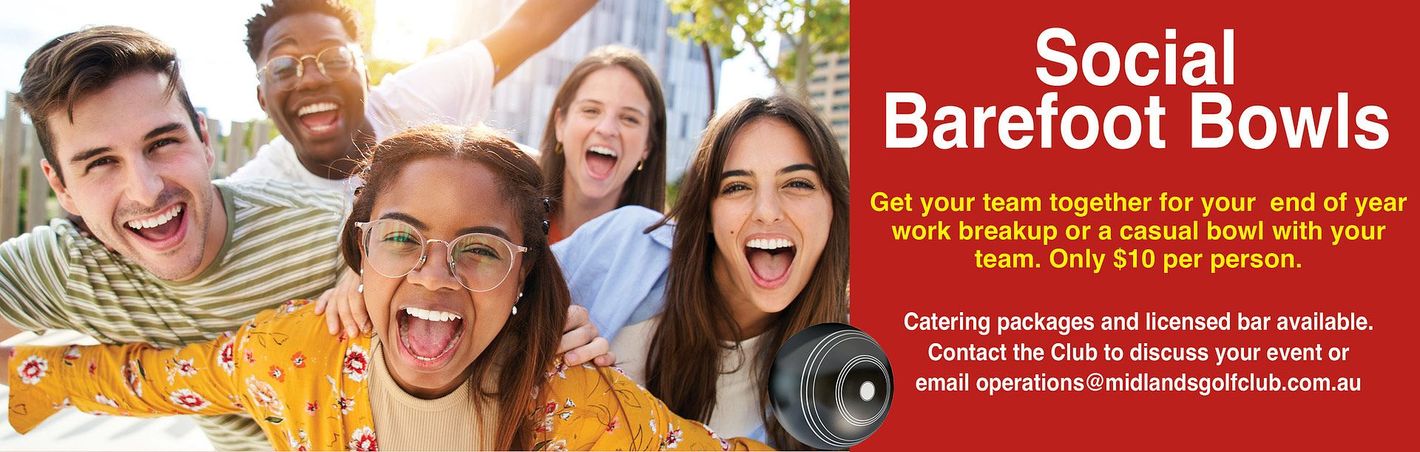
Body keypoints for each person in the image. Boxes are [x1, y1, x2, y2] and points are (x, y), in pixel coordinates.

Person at [0, 25, 608, 451]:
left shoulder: (325, 235)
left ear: (204, 139)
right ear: (61, 186)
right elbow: (155, 378)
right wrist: (23, 368)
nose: (146, 189)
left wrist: (546, 319)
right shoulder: (279, 352)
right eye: (99, 163)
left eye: (163, 143)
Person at [5, 125, 768, 451]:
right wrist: (28, 374)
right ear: (360, 251)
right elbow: (156, 379)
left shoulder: (573, 406)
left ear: (524, 274)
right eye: (402, 239)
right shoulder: (294, 355)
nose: (434, 276)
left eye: (478, 249)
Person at [554, 96, 851, 448]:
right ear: (708, 214)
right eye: (737, 187)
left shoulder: (843, 376)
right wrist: (546, 325)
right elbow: (493, 296)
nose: (767, 211)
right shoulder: (626, 244)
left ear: (833, 207)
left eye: (798, 183)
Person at [229, 0, 596, 195]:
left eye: (335, 58)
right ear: (262, 98)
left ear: (365, 75)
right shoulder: (255, 191)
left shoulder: (413, 102)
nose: (310, 79)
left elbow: (531, 25)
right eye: (283, 68)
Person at [539, 45, 667, 243]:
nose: (607, 129)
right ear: (560, 124)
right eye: (591, 110)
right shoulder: (513, 222)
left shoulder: (661, 260)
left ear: (647, 145)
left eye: (629, 119)